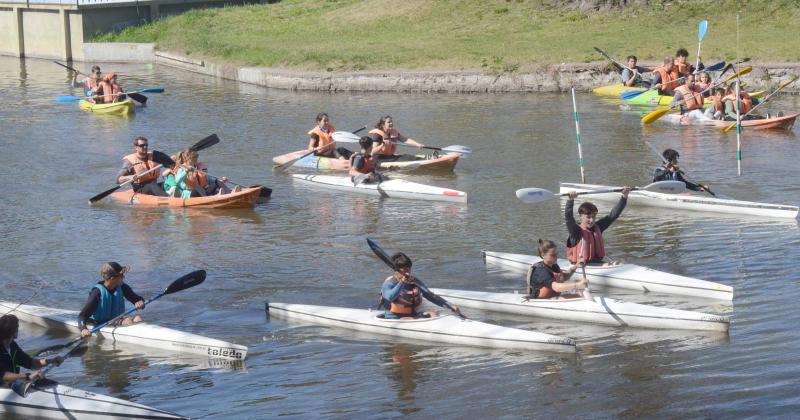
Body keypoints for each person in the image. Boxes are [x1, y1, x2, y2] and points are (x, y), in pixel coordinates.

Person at [380, 252, 462, 319]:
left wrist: (450, 306)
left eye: (409, 269)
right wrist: (401, 282)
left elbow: (430, 295)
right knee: (432, 316)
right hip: (394, 317)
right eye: (404, 270)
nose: (408, 272)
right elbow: (390, 297)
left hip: (412, 315)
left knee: (435, 314)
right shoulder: (389, 283)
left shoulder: (414, 281)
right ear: (396, 270)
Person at [565, 187, 631, 266]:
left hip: (597, 263)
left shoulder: (599, 226)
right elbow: (568, 218)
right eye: (588, 217)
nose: (592, 220)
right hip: (580, 265)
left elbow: (613, 215)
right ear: (580, 216)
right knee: (612, 264)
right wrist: (570, 200)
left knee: (621, 262)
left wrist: (624, 197)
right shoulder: (575, 231)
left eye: (593, 216)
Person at [78, 262, 145, 338]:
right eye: (121, 275)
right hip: (100, 323)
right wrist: (83, 329)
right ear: (112, 278)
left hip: (115, 321)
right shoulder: (97, 292)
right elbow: (82, 316)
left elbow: (138, 299)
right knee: (129, 321)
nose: (124, 277)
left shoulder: (122, 287)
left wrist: (140, 303)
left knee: (137, 318)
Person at [1, 314, 63, 385]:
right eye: (17, 327)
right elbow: (2, 375)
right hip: (3, 388)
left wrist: (51, 361)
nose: (18, 329)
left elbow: (31, 363)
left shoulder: (12, 346)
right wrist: (28, 377)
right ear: (12, 331)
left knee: (47, 382)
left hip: (12, 384)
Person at [162, 148, 238, 198]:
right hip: (189, 193)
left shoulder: (198, 167)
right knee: (197, 187)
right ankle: (208, 199)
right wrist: (186, 171)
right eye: (195, 158)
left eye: (197, 157)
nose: (197, 159)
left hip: (203, 191)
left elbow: (208, 180)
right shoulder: (182, 168)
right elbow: (177, 181)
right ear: (189, 158)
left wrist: (221, 181)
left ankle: (230, 193)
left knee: (216, 181)